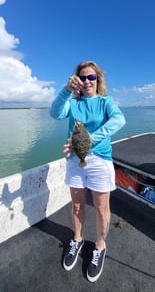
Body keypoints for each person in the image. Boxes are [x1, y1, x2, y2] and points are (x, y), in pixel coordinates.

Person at [50, 60, 126, 282]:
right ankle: (78, 239)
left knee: (102, 209)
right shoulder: (73, 104)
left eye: (91, 77)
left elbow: (119, 120)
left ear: (98, 79)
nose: (86, 81)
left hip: (100, 161)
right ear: (78, 82)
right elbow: (55, 113)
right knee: (76, 205)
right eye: (82, 77)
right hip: (76, 161)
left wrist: (90, 138)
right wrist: (66, 91)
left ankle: (100, 247)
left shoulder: (105, 102)